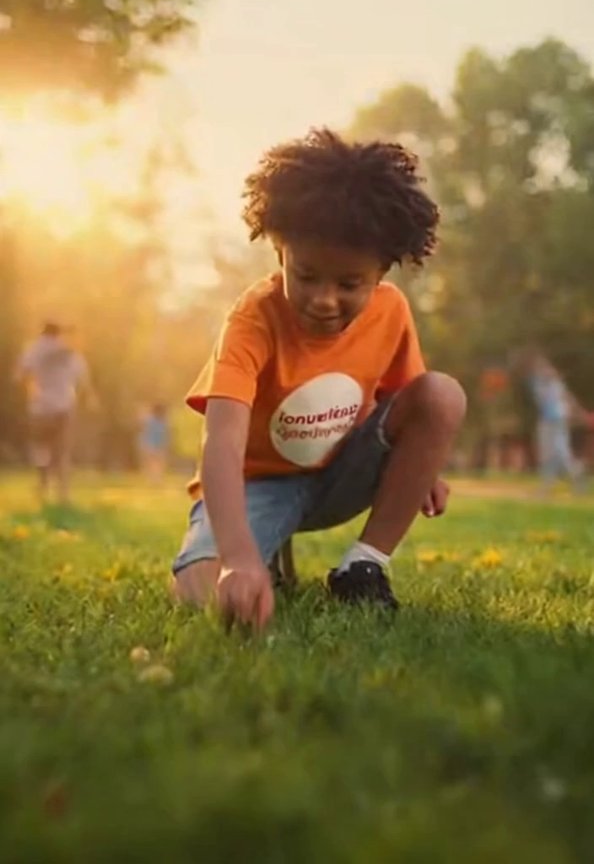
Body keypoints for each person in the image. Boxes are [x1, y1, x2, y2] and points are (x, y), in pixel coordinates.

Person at [172, 129, 466, 629]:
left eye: (349, 283)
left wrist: (422, 468)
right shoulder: (252, 319)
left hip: (338, 473)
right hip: (257, 482)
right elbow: (220, 441)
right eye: (306, 276)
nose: (324, 299)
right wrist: (239, 557)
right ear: (280, 252)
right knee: (198, 590)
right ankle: (260, 559)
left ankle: (363, 566)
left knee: (444, 392)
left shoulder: (391, 310)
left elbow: (409, 402)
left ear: (382, 273)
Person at [15, 321, 93, 503]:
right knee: (63, 450)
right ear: (59, 334)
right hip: (64, 406)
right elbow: (83, 378)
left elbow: (21, 375)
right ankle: (63, 493)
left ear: (42, 332)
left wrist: (32, 389)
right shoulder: (70, 352)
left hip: (40, 407)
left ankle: (43, 488)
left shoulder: (33, 350)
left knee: (42, 448)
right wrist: (88, 397)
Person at [527, 355, 587, 493]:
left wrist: (578, 412)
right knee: (550, 454)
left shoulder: (554, 384)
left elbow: (568, 399)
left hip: (555, 421)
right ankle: (547, 486)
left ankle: (575, 475)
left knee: (559, 453)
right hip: (549, 421)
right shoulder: (541, 383)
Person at [138, 403, 170, 483]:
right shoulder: (150, 420)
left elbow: (165, 434)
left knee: (158, 462)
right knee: (152, 462)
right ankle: (152, 478)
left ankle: (156, 478)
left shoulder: (163, 421)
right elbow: (144, 431)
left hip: (158, 444)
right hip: (151, 444)